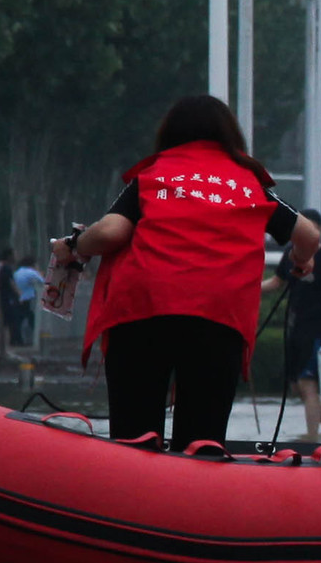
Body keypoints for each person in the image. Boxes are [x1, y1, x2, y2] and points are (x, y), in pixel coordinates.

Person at [50, 94, 280, 448]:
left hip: (143, 311)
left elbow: (111, 232)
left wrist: (75, 245)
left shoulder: (152, 176)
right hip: (218, 318)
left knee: (134, 437)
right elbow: (307, 234)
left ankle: (127, 496)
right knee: (203, 441)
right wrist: (301, 260)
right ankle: (192, 493)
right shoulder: (247, 184)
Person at [273, 209, 321, 441]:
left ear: (319, 231)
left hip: (318, 329)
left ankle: (311, 438)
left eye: (313, 229)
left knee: (308, 383)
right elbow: (278, 281)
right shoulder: (290, 254)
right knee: (298, 385)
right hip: (295, 327)